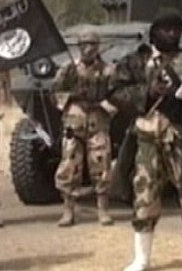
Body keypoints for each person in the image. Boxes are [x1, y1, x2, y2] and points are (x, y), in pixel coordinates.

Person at [110, 8, 182, 271]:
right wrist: (147, 91)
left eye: (176, 29)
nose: (172, 34)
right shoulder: (135, 62)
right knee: (144, 197)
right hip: (146, 139)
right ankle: (142, 259)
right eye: (166, 29)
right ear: (154, 32)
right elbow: (114, 91)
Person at [52, 31, 118, 227]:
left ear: (98, 47)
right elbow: (54, 92)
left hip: (97, 121)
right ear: (79, 47)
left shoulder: (108, 70)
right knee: (69, 166)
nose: (88, 49)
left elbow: (118, 94)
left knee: (101, 164)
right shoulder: (69, 69)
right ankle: (68, 210)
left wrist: (102, 103)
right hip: (74, 122)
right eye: (84, 45)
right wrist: (71, 95)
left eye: (92, 45)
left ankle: (103, 209)